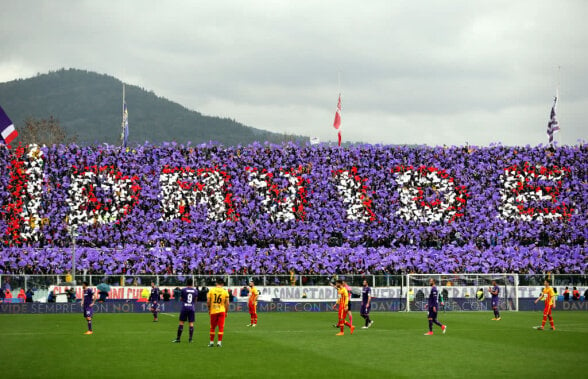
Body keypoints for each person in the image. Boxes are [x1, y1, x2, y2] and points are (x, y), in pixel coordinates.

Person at [172, 278, 198, 343]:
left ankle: (178, 339)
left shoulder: (183, 290)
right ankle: (190, 339)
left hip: (184, 307)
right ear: (192, 283)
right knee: (191, 323)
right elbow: (195, 300)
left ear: (186, 283)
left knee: (181, 323)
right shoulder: (195, 291)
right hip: (191, 308)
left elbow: (181, 298)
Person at [207, 278, 229, 347]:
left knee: (212, 327)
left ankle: (211, 342)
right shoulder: (225, 291)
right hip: (222, 311)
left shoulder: (211, 290)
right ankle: (219, 342)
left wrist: (209, 309)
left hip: (213, 311)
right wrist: (226, 312)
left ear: (216, 283)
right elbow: (227, 303)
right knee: (221, 327)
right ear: (222, 284)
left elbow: (208, 301)